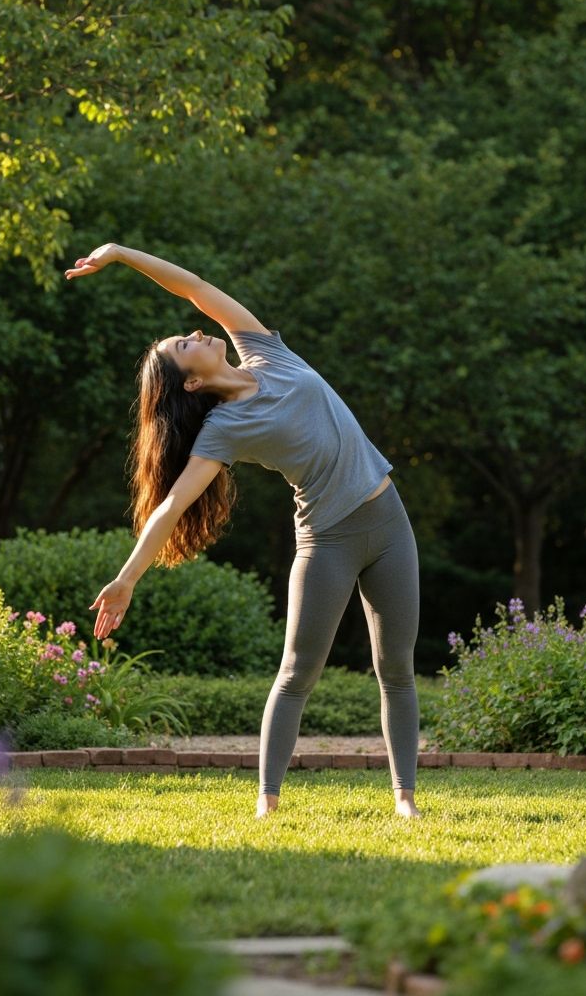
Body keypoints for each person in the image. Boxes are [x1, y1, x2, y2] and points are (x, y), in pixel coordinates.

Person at [65, 244, 421, 819]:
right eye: (185, 345)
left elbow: (194, 287)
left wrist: (121, 254)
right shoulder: (225, 428)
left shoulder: (265, 351)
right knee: (297, 673)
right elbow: (172, 506)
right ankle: (267, 803)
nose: (196, 332)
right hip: (328, 540)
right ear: (190, 384)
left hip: (389, 522)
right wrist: (126, 578)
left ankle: (405, 799)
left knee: (397, 669)